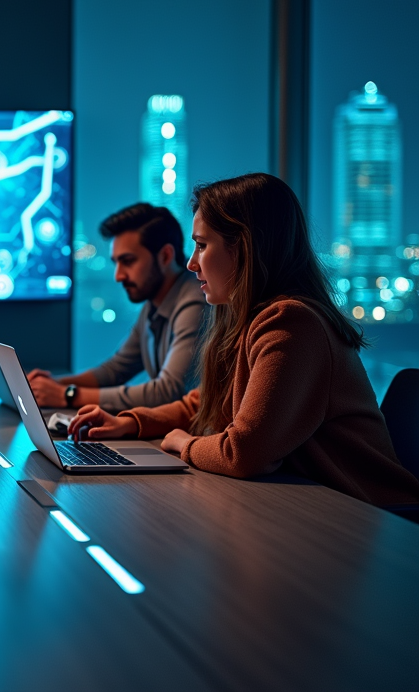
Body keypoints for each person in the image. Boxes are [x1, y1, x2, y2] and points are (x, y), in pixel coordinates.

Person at [69, 173, 419, 507]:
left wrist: (183, 443)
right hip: (311, 504)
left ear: (244, 249)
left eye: (202, 246)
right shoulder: (250, 319)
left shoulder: (292, 324)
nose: (191, 264)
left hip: (369, 519)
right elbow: (206, 402)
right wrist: (132, 423)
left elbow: (244, 453)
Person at [27, 203, 206, 412]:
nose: (118, 276)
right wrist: (53, 385)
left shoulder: (196, 301)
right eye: (116, 263)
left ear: (165, 256)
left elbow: (168, 391)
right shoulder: (156, 300)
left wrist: (67, 395)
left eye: (128, 261)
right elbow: (116, 369)